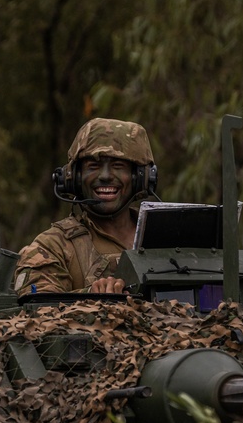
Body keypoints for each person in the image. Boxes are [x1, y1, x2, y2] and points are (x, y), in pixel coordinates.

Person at [13, 117, 157, 295]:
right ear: (73, 178)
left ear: (141, 177)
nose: (105, 176)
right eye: (93, 166)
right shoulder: (52, 246)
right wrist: (92, 297)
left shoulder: (166, 239)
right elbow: (36, 310)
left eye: (118, 166)